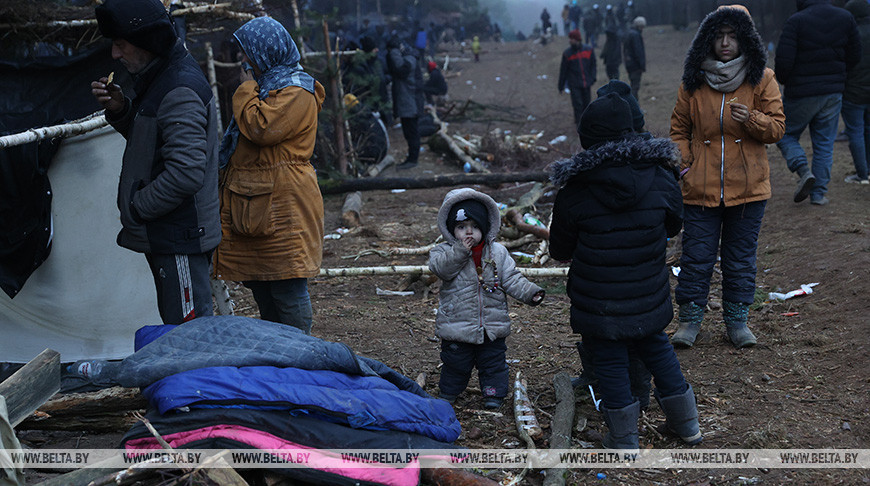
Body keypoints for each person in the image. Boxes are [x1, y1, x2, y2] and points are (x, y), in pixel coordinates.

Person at [549, 93, 701, 449]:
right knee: (657, 347)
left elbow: (559, 250)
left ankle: (624, 439)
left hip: (599, 299)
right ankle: (688, 424)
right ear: (634, 131)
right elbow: (674, 226)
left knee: (611, 359)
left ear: (588, 139)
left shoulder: (576, 189)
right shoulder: (663, 177)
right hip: (648, 291)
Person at [91, 0, 220, 324]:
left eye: (121, 45)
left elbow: (185, 173)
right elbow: (157, 146)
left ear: (147, 42)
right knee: (181, 332)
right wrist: (122, 110)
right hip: (172, 234)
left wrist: (137, 207)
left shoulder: (178, 88)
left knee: (189, 335)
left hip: (179, 237)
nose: (115, 55)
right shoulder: (162, 79)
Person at [669, 5, 785, 348]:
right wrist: (685, 165)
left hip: (749, 189)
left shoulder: (762, 78)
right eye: (718, 36)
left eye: (732, 36)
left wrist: (752, 119)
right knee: (696, 256)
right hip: (700, 188)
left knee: (740, 258)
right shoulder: (692, 81)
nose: (724, 43)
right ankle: (689, 322)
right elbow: (678, 130)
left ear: (744, 40)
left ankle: (737, 323)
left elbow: (777, 128)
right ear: (707, 39)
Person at [213, 17, 325, 335]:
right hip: (256, 202)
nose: (245, 60)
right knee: (262, 284)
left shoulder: (296, 91)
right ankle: (278, 351)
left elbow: (261, 128)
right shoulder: (269, 88)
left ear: (267, 51)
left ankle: (301, 353)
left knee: (287, 284)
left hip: (285, 203)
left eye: (249, 53)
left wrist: (245, 86)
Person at [429, 188, 545, 409]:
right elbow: (442, 270)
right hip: (457, 325)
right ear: (452, 229)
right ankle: (448, 393)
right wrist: (459, 252)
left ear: (484, 227)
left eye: (474, 227)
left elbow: (511, 279)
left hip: (492, 325)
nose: (468, 233)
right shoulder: (442, 251)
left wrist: (531, 292)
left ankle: (493, 395)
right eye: (462, 227)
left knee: (493, 363)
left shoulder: (497, 252)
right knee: (455, 364)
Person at [775, 0, 860, 205]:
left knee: (783, 133)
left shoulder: (796, 21)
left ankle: (803, 169)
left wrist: (787, 80)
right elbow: (855, 55)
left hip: (801, 93)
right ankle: (819, 193)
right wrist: (838, 76)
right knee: (824, 144)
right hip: (833, 92)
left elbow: (784, 62)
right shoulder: (845, 18)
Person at [840, 0, 870, 184]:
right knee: (868, 130)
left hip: (853, 92)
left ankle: (862, 174)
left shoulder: (849, 35)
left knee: (855, 132)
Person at [386, 35, 422, 169]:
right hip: (409, 102)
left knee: (412, 132)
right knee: (409, 131)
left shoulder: (409, 61)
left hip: (410, 102)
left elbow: (400, 69)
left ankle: (413, 159)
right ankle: (412, 158)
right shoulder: (409, 58)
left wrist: (394, 51)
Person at [559, 30, 597, 132]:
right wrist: (561, 85)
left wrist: (593, 77)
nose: (570, 41)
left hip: (586, 82)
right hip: (574, 83)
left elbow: (593, 64)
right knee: (577, 105)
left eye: (572, 39)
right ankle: (580, 126)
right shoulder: (567, 54)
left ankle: (587, 124)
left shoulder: (588, 50)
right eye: (570, 38)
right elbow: (563, 71)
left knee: (587, 104)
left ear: (577, 39)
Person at [623, 16, 646, 101]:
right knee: (635, 87)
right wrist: (642, 65)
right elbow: (638, 51)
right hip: (635, 65)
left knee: (633, 85)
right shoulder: (636, 35)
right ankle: (634, 107)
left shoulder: (628, 33)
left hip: (629, 64)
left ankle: (634, 106)